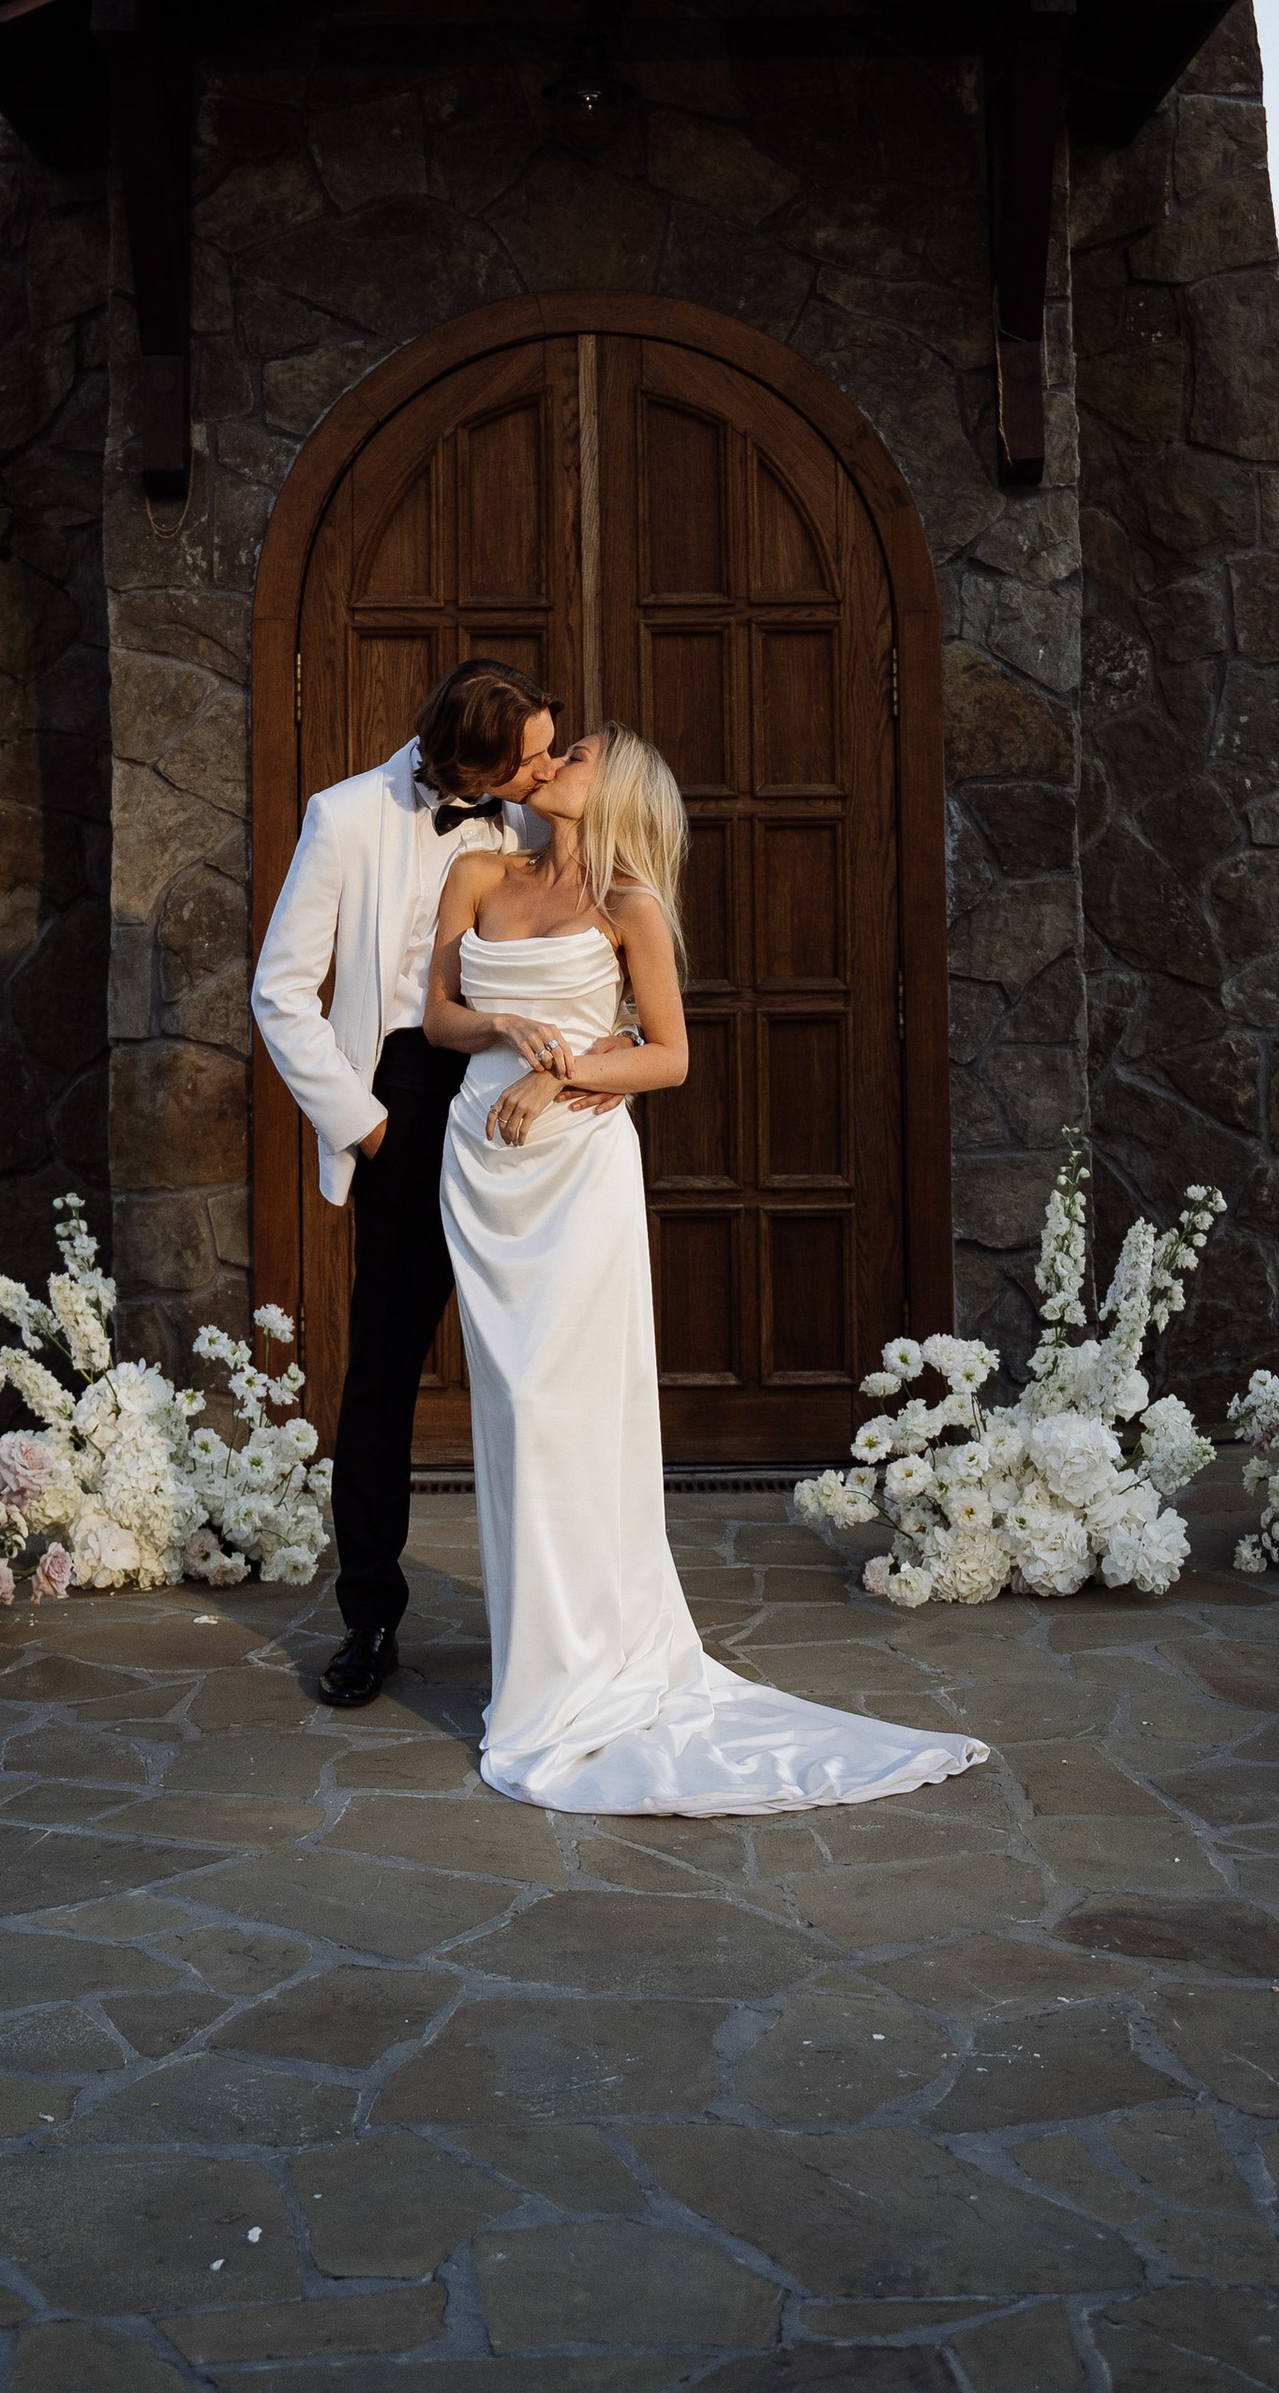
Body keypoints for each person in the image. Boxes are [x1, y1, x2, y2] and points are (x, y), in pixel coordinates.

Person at [424, 724, 990, 1815]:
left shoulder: (629, 906)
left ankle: (586, 1668)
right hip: (481, 1165)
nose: (556, 761)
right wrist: (502, 1025)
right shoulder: (477, 870)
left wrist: (559, 1077)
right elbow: (440, 1014)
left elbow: (671, 1055)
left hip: (577, 1170)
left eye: (578, 752)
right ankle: (533, 1666)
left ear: (616, 787)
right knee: (510, 1409)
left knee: (565, 1406)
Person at [250, 658, 573, 1710]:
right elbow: (280, 992)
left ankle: (555, 1620)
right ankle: (369, 1617)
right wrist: (369, 1124)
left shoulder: (531, 822)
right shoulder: (343, 817)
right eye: (523, 758)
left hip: (508, 1104)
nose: (542, 771)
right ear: (465, 757)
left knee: (529, 1368)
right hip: (400, 1103)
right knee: (384, 1373)